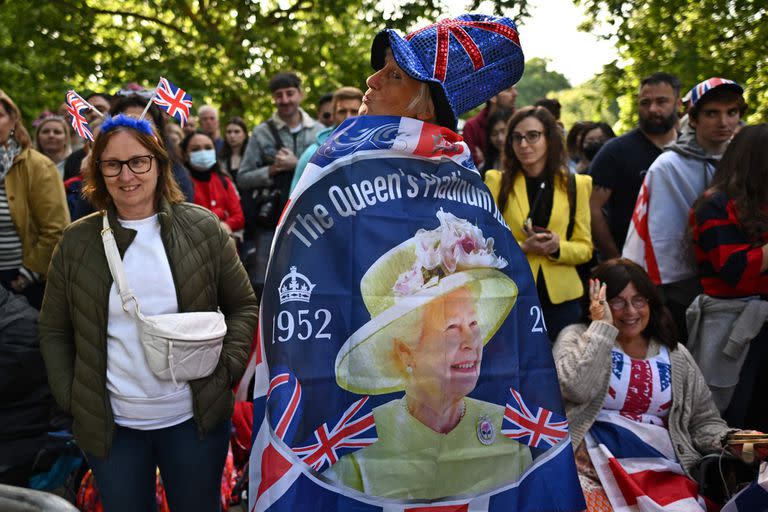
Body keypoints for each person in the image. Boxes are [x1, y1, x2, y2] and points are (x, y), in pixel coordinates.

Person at [38, 114, 258, 512]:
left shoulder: (203, 228)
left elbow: (243, 306)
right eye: (113, 164)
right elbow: (54, 328)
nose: (127, 175)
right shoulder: (77, 242)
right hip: (113, 428)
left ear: (159, 164)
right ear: (98, 170)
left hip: (194, 422)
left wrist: (225, 371)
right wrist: (71, 395)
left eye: (138, 161)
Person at [327, 212, 531, 499]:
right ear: (405, 352)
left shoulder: (509, 431)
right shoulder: (359, 449)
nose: (472, 342)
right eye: (451, 328)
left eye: (473, 324)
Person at [554, 258, 760, 509]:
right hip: (590, 468)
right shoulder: (576, 337)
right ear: (599, 302)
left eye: (639, 300)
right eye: (617, 301)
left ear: (650, 302)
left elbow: (703, 421)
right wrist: (601, 328)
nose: (630, 311)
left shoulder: (676, 355)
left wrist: (734, 440)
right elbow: (576, 388)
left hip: (661, 473)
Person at [623, 77, 747, 339]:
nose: (723, 122)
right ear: (693, 118)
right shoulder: (667, 166)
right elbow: (657, 239)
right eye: (712, 113)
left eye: (731, 112)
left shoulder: (748, 159)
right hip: (685, 294)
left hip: (743, 288)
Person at [485, 106, 593, 340]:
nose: (524, 144)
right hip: (513, 295)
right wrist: (523, 248)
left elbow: (585, 248)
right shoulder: (496, 182)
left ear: (550, 139)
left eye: (532, 135)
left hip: (563, 302)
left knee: (563, 371)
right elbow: (484, 244)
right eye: (517, 137)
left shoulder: (578, 185)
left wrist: (557, 248)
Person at [689, 124, 768, 433]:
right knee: (730, 417)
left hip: (761, 322)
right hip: (730, 324)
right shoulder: (715, 204)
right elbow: (734, 268)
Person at [237, 71, 322, 293]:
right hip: (271, 220)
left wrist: (297, 165)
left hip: (310, 219)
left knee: (311, 278)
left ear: (301, 94)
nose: (284, 100)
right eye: (279, 95)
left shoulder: (319, 132)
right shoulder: (261, 133)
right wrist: (272, 170)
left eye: (290, 93)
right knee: (266, 283)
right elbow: (243, 178)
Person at [590, 72, 681, 260]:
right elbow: (592, 208)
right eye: (645, 103)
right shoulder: (615, 151)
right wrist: (616, 260)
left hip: (684, 265)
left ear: (678, 104)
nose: (653, 109)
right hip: (633, 264)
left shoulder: (691, 150)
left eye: (661, 101)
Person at [0, 90, 70, 309]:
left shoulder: (39, 166)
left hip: (19, 284)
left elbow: (56, 228)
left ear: (13, 121)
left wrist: (26, 276)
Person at [109, 94, 195, 202]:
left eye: (145, 124)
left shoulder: (178, 174)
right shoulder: (95, 165)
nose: (126, 177)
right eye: (129, 123)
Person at [289, 86, 363, 193]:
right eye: (342, 111)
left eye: (354, 111)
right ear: (333, 114)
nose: (348, 117)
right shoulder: (313, 154)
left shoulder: (377, 149)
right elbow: (294, 199)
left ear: (363, 112)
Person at [180, 131, 244, 235]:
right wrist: (221, 213)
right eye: (196, 149)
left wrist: (227, 224)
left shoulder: (224, 180)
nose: (203, 152)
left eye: (208, 148)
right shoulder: (180, 184)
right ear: (185, 154)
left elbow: (239, 218)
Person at [462, 85, 517, 167]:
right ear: (493, 96)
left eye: (504, 131)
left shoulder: (518, 121)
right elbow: (470, 166)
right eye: (508, 90)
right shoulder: (471, 127)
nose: (515, 93)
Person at [480, 107, 512, 177]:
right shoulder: (486, 165)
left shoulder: (522, 160)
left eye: (503, 131)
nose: (500, 138)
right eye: (494, 133)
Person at [219, 117, 249, 182]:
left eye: (237, 132)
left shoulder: (253, 156)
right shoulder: (220, 158)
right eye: (229, 132)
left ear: (245, 135)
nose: (232, 136)